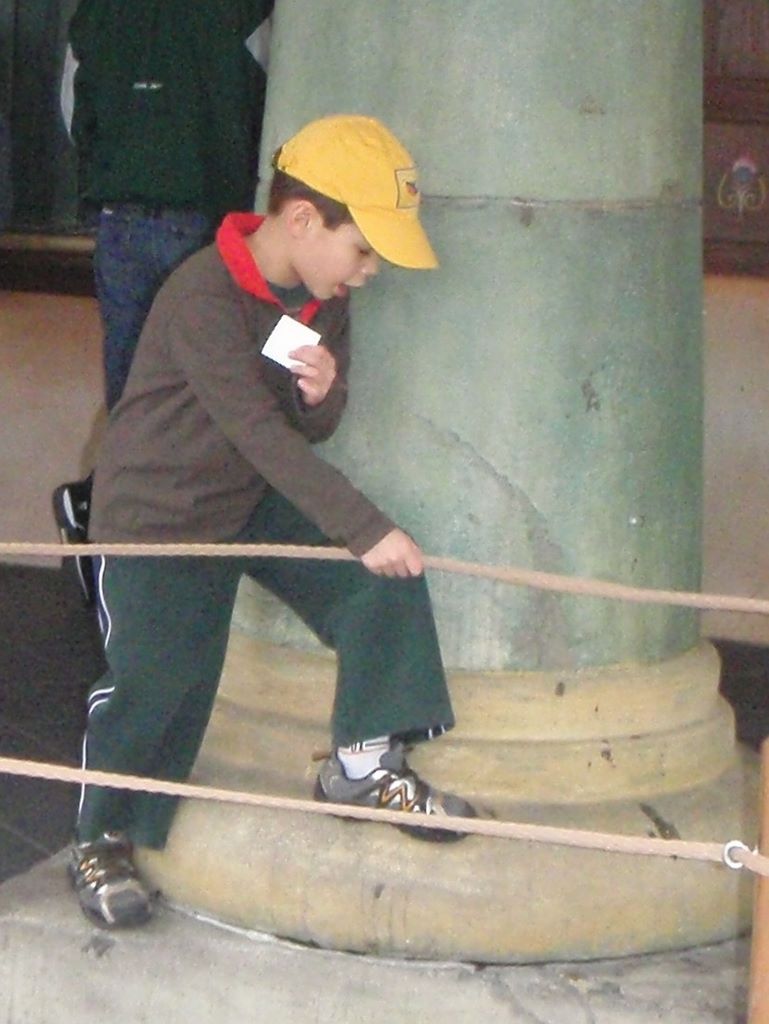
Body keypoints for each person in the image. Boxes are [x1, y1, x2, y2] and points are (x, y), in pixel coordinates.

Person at [69, 114, 476, 930]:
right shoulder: (201, 293)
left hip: (245, 495)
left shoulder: (320, 298)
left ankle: (361, 764)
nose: (368, 272)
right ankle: (102, 838)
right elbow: (254, 432)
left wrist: (320, 397)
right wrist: (363, 524)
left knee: (379, 580)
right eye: (363, 249)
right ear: (301, 220)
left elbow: (299, 428)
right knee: (156, 681)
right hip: (158, 516)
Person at [52, 0, 273, 605]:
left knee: (132, 395)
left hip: (120, 216)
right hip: (209, 220)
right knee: (204, 399)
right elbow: (274, 112)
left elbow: (74, 110)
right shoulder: (245, 11)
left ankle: (107, 534)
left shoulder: (95, 13)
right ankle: (166, 567)